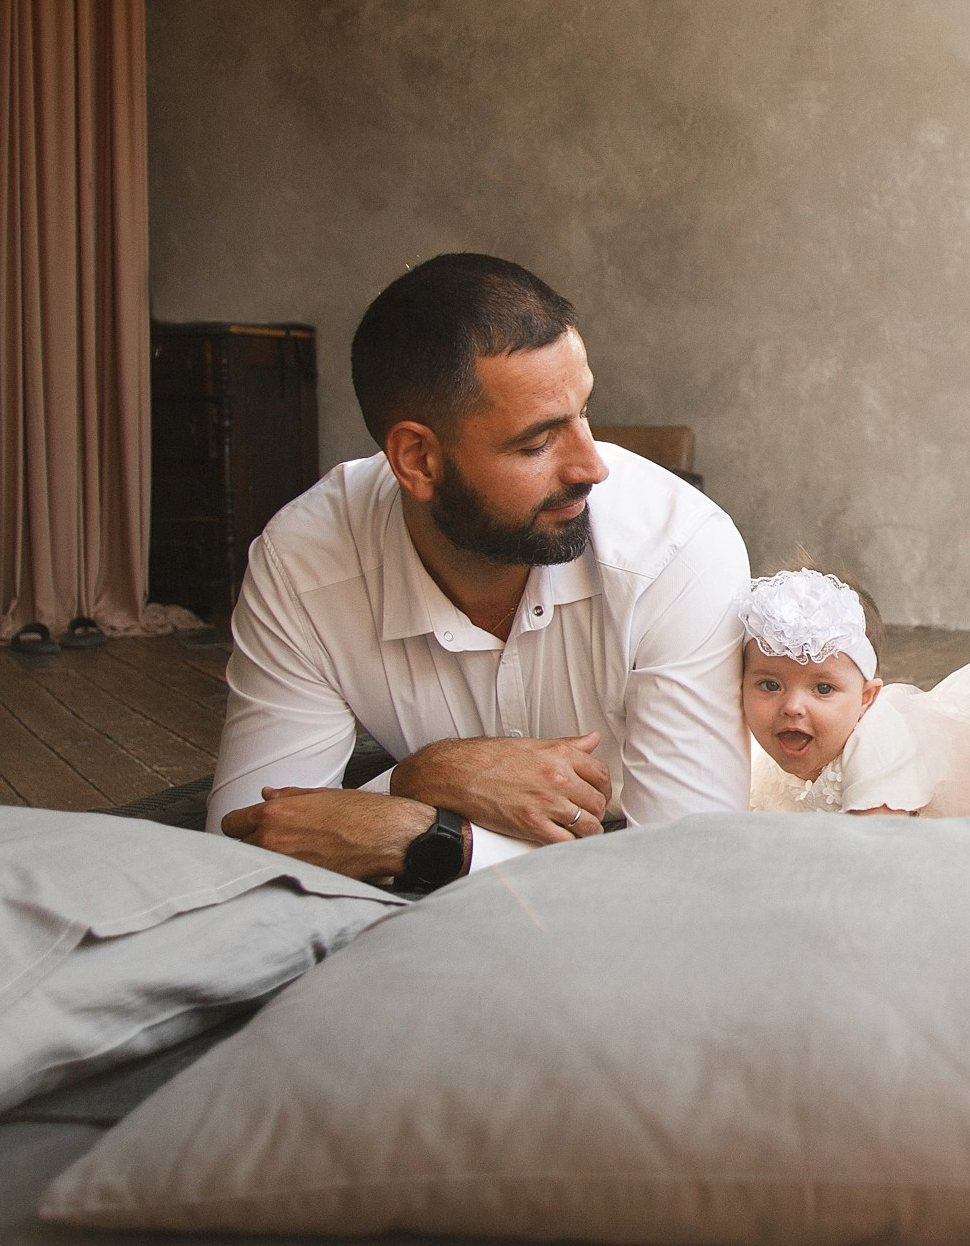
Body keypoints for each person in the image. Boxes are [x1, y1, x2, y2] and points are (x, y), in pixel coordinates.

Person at [209, 254, 751, 892]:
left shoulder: (678, 550)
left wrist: (420, 831)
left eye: (584, 414)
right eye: (536, 444)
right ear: (418, 460)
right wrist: (422, 776)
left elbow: (691, 872)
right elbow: (251, 845)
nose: (591, 466)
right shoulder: (307, 564)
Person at [740, 568, 970, 817]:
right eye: (770, 685)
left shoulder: (877, 742)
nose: (792, 707)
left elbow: (880, 851)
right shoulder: (747, 747)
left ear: (866, 699)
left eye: (823, 689)